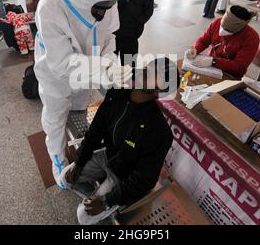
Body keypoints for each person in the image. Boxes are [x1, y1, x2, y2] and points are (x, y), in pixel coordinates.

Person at [34, 0, 133, 188]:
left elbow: (108, 37)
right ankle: (57, 158)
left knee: (78, 105)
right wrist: (103, 69)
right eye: (100, 7)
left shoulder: (107, 1)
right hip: (54, 72)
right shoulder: (51, 6)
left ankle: (80, 146)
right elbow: (62, 63)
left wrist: (112, 65)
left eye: (109, 6)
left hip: (89, 69)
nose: (104, 12)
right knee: (56, 113)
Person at [60, 57, 178, 224]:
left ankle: (111, 205)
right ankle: (104, 202)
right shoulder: (117, 94)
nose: (149, 72)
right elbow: (95, 130)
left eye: (157, 75)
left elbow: (145, 179)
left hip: (125, 175)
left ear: (159, 91)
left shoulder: (158, 131)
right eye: (151, 67)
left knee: (84, 216)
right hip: (108, 155)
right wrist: (79, 161)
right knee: (65, 177)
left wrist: (107, 201)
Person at [186, 5, 259, 79]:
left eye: (227, 30)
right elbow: (204, 40)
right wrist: (195, 49)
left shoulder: (251, 38)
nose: (221, 31)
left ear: (238, 29)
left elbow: (239, 67)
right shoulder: (217, 22)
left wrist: (214, 62)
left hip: (229, 75)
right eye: (221, 26)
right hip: (209, 66)